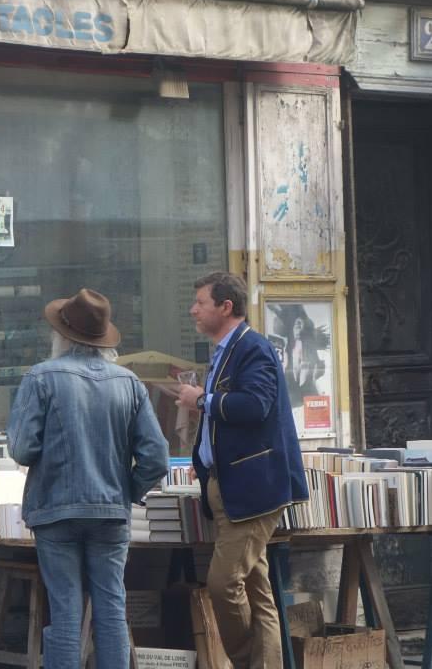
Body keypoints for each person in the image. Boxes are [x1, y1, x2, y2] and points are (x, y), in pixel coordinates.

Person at [8, 288, 169, 669]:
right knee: (111, 608)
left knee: (65, 609)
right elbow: (156, 457)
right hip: (110, 512)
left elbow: (22, 450)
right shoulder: (129, 382)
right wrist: (127, 490)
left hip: (55, 509)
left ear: (61, 335)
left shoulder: (41, 377)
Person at [176, 272, 308, 669]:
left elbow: (255, 406)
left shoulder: (253, 348)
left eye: (201, 303)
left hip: (253, 488)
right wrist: (204, 460)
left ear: (225, 306)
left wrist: (202, 400)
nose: (193, 310)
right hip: (229, 486)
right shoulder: (224, 351)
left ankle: (247, 661)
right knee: (257, 590)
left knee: (222, 583)